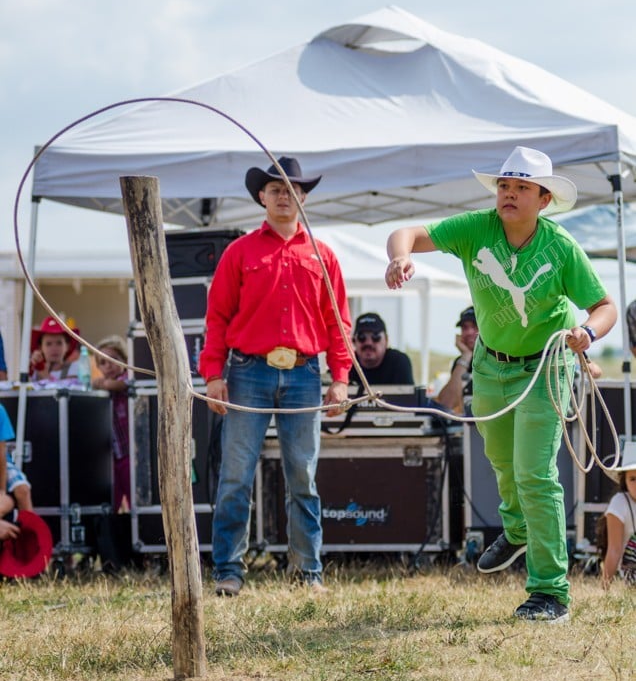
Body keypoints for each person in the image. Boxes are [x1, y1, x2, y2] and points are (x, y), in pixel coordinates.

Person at [385, 145, 617, 622]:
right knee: (501, 462)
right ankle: (515, 529)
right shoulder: (475, 229)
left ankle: (550, 592)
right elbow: (405, 231)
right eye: (504, 186)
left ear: (544, 199)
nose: (509, 194)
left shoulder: (560, 246)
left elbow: (605, 306)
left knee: (535, 474)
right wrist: (401, 257)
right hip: (490, 366)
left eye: (521, 188)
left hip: (546, 369)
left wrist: (587, 332)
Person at [198, 156, 351, 597]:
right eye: (276, 188)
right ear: (262, 197)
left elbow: (338, 322)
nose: (285, 195)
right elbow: (218, 318)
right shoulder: (239, 252)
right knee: (235, 476)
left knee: (303, 475)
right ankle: (228, 571)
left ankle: (308, 572)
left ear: (303, 197)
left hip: (304, 373)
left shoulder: (324, 256)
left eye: (292, 188)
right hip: (247, 371)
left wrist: (339, 378)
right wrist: (213, 375)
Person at [93, 335, 130, 513]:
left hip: (129, 452)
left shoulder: (127, 379)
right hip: (112, 455)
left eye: (114, 359)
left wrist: (105, 384)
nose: (108, 366)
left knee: (134, 497)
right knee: (112, 500)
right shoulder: (101, 386)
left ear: (125, 360)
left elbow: (121, 385)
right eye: (103, 362)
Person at [349, 312, 414, 386]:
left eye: (376, 337)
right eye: (362, 337)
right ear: (354, 341)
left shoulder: (398, 363)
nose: (368, 343)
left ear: (386, 340)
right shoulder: (346, 365)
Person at [436, 306, 478, 413]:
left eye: (475, 326)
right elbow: (447, 403)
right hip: (469, 427)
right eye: (465, 327)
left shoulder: (497, 358)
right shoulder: (461, 362)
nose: (469, 332)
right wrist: (466, 356)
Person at [601, 465, 636, 587]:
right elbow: (614, 549)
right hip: (631, 577)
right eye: (632, 479)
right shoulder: (620, 502)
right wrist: (605, 588)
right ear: (624, 480)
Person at [0, 401, 34, 521]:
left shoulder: (0, 410)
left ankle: (30, 534)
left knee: (22, 490)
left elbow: (1, 456)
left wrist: (2, 492)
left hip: (3, 464)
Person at [29, 316, 79, 383]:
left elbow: (69, 388)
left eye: (59, 343)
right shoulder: (35, 370)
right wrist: (29, 366)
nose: (54, 348)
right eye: (48, 344)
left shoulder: (73, 368)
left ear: (67, 346)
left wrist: (45, 374)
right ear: (40, 347)